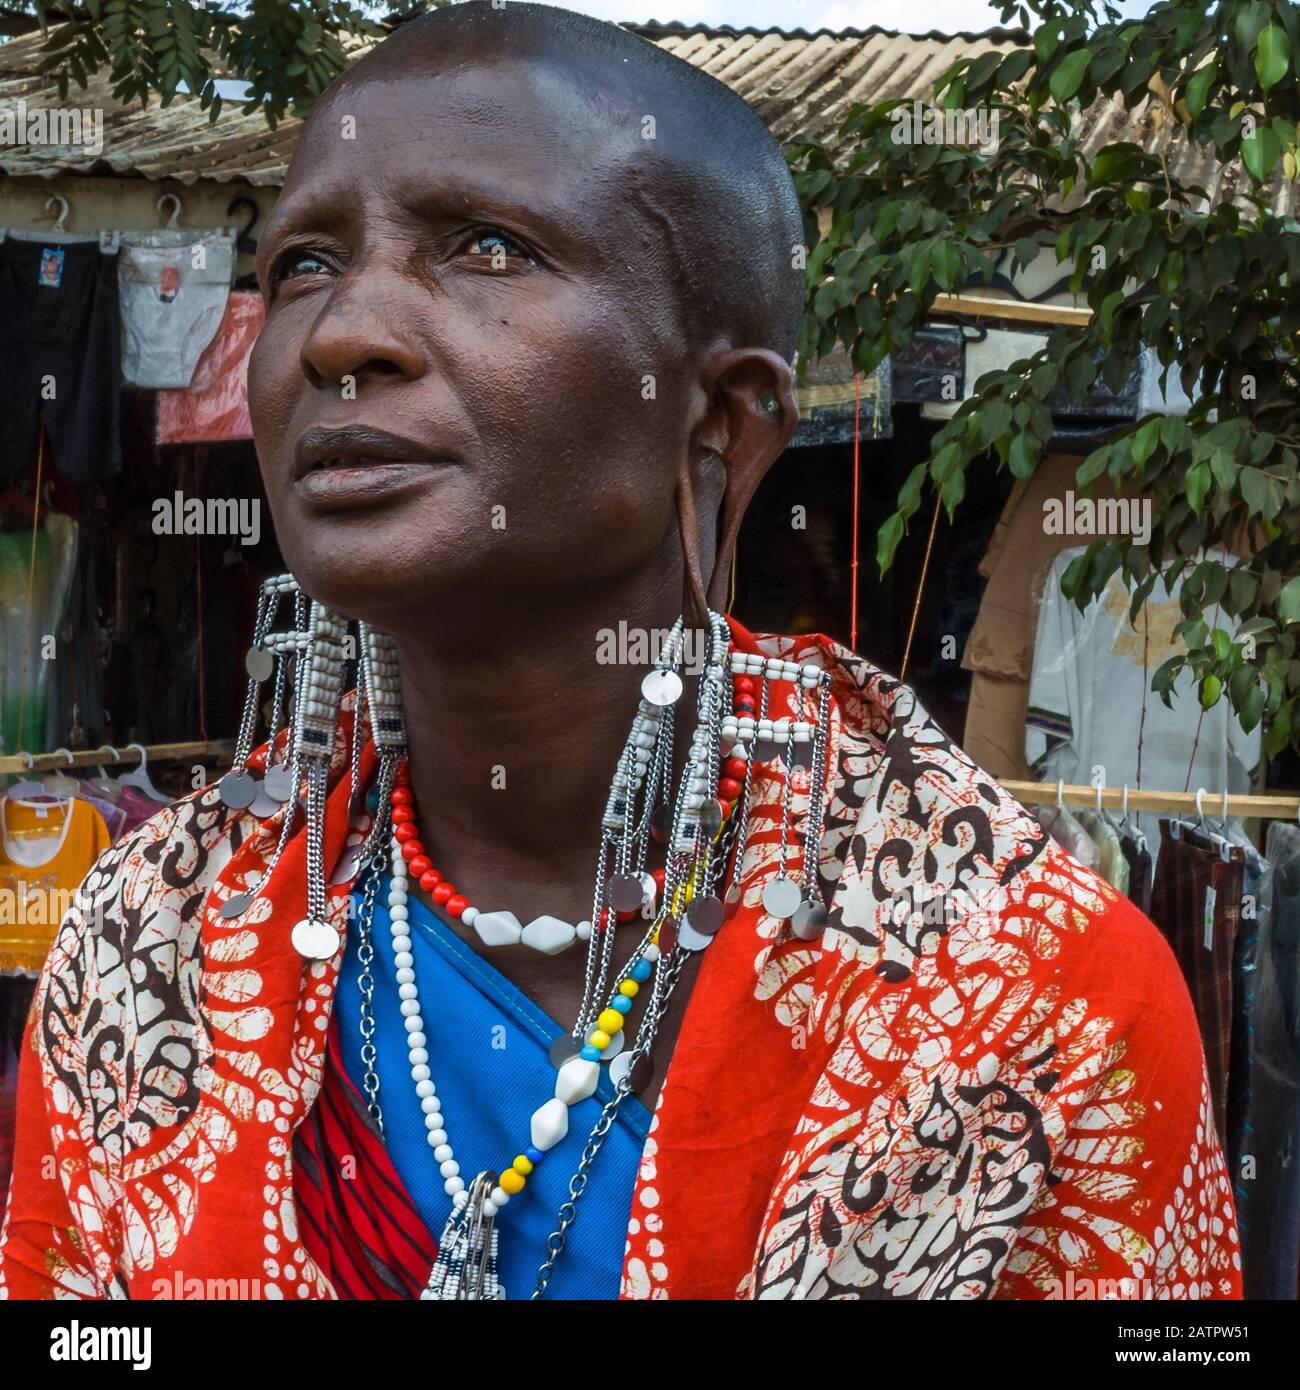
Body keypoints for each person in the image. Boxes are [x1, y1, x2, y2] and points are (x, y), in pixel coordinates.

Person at [0, 4, 1240, 1301]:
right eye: (305, 260)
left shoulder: (1027, 991)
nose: (338, 335)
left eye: (487, 245)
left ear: (722, 420)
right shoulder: (149, 946)